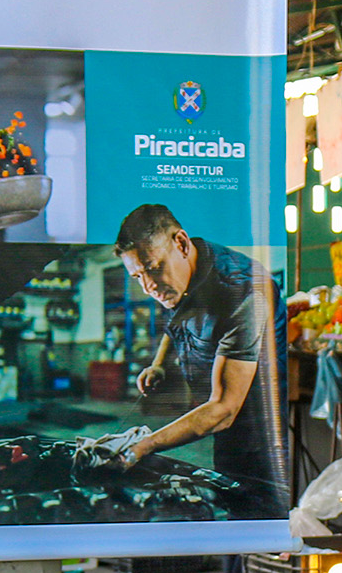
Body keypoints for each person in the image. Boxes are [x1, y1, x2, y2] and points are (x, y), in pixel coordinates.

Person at [113, 204, 288, 507]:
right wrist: (159, 364)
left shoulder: (244, 293)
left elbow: (223, 409)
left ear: (181, 243)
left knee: (259, 511)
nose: (149, 287)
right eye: (138, 276)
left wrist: (146, 445)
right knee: (232, 507)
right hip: (223, 428)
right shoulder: (178, 276)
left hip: (262, 433)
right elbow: (176, 321)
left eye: (153, 269)